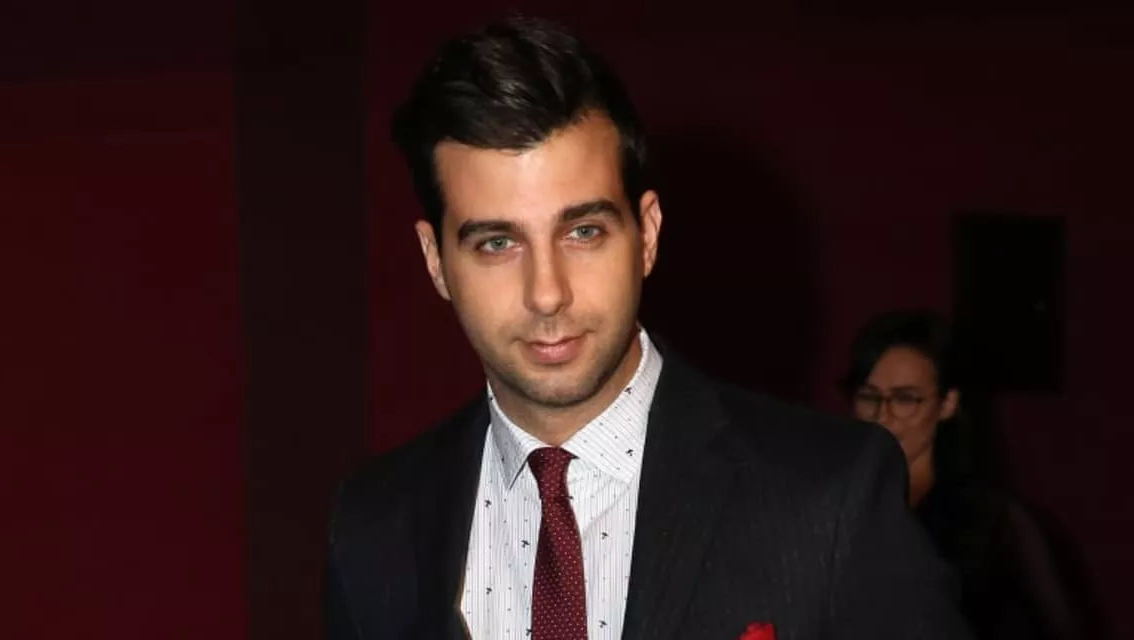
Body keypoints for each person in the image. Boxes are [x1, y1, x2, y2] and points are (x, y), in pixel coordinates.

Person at [325, 15, 971, 640]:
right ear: (436, 261)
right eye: (497, 243)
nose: (547, 292)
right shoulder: (374, 526)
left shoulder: (831, 497)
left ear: (648, 235)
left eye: (583, 232)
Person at [840, 310, 1104, 640]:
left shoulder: (995, 522)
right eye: (869, 397)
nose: (883, 415)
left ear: (947, 403)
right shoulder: (840, 509)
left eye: (905, 399)